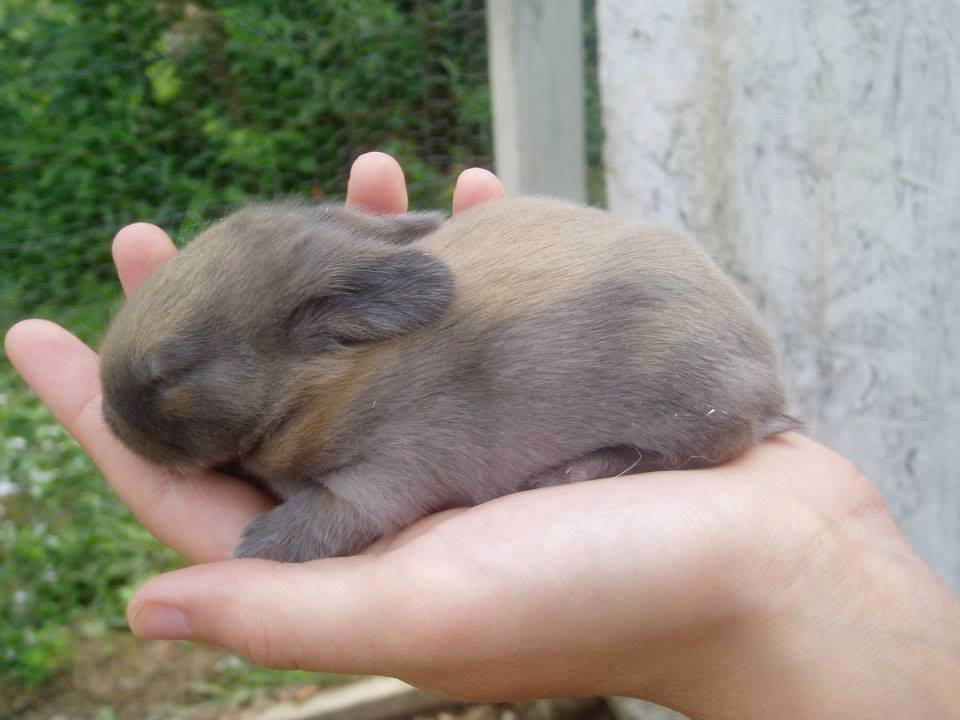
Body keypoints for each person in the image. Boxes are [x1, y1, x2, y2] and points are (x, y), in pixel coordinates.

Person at [5, 153, 959, 719]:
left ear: (332, 326)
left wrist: (302, 529)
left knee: (693, 397)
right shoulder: (345, 344)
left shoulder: (392, 386)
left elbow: (377, 489)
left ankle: (661, 448)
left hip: (700, 374)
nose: (137, 414)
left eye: (168, 380)